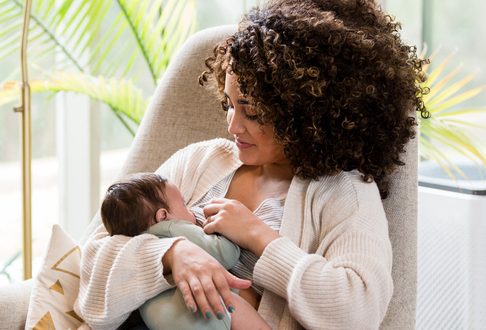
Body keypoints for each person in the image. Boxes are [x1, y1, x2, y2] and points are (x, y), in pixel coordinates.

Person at [74, 0, 427, 329]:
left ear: (305, 113)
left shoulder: (343, 192)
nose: (232, 126)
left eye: (252, 111)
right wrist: (173, 253)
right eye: (229, 104)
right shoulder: (201, 160)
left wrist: (259, 236)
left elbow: (357, 308)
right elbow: (92, 261)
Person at [99, 172, 270, 330]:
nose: (190, 209)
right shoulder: (173, 228)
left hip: (158, 318)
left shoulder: (134, 243)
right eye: (183, 204)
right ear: (163, 216)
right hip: (200, 311)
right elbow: (225, 254)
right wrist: (232, 231)